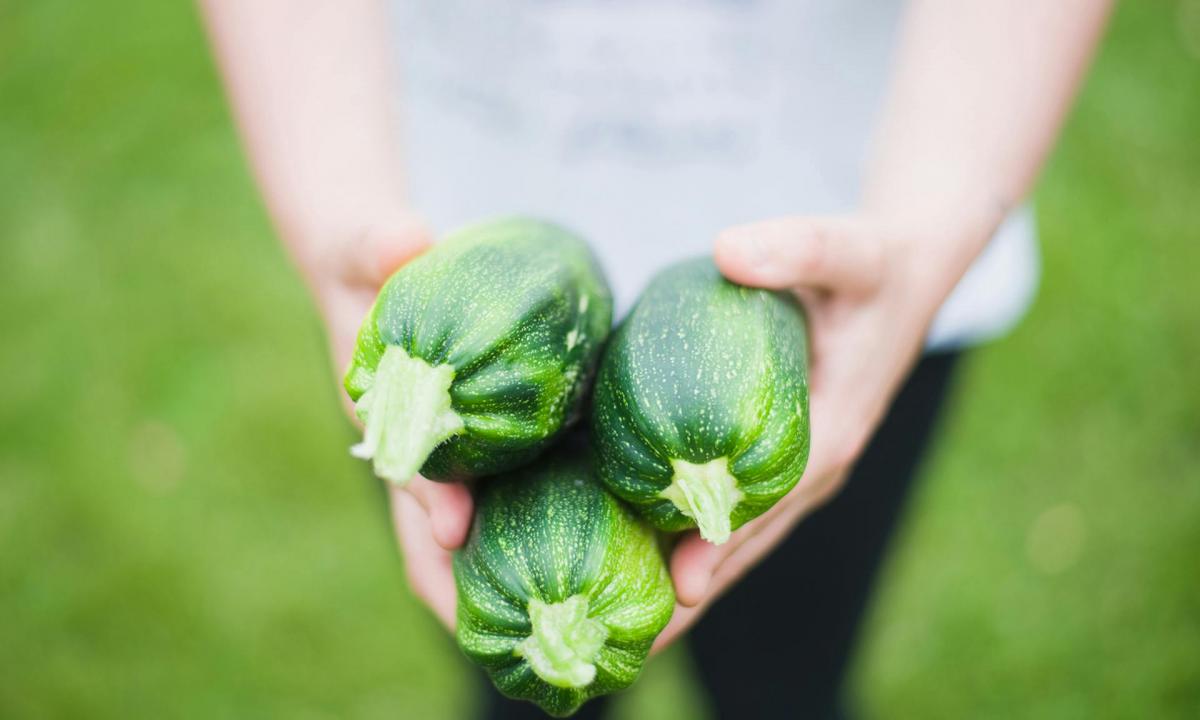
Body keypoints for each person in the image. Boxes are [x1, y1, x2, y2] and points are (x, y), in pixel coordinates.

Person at [201, 1, 1112, 717]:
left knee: (786, 681)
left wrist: (929, 235)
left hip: (862, 261)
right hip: (450, 249)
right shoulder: (425, 344)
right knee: (521, 689)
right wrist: (334, 209)